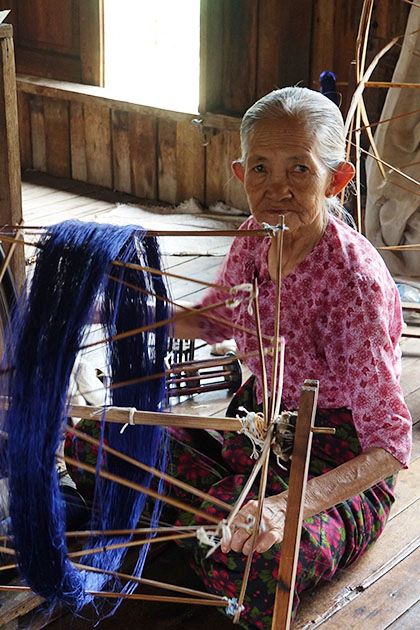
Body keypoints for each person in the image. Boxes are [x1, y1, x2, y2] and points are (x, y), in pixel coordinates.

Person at [170, 86, 412, 629]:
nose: (276, 188)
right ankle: (219, 517)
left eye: (299, 169)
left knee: (256, 567)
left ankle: (218, 521)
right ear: (240, 174)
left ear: (337, 179)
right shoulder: (256, 234)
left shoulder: (352, 283)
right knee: (97, 439)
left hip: (334, 463)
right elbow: (221, 317)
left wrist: (285, 506)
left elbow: (391, 444)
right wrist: (115, 317)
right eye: (261, 168)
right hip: (257, 431)